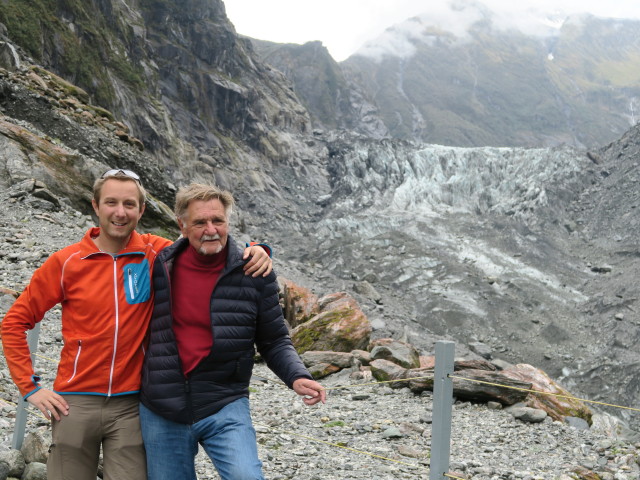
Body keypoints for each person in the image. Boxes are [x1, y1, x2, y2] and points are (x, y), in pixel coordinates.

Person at [1, 169, 272, 480]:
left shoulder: (157, 252)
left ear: (142, 210)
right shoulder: (66, 263)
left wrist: (258, 249)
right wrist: (30, 387)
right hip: (74, 402)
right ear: (96, 206)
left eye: (129, 204)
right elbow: (15, 321)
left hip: (132, 404)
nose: (120, 212)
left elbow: (207, 244)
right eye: (111, 203)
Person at [139, 183, 326, 480]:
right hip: (163, 407)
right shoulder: (158, 264)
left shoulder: (254, 272)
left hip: (224, 402)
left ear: (228, 222)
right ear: (182, 226)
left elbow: (274, 338)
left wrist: (297, 375)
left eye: (218, 221)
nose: (211, 229)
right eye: (200, 222)